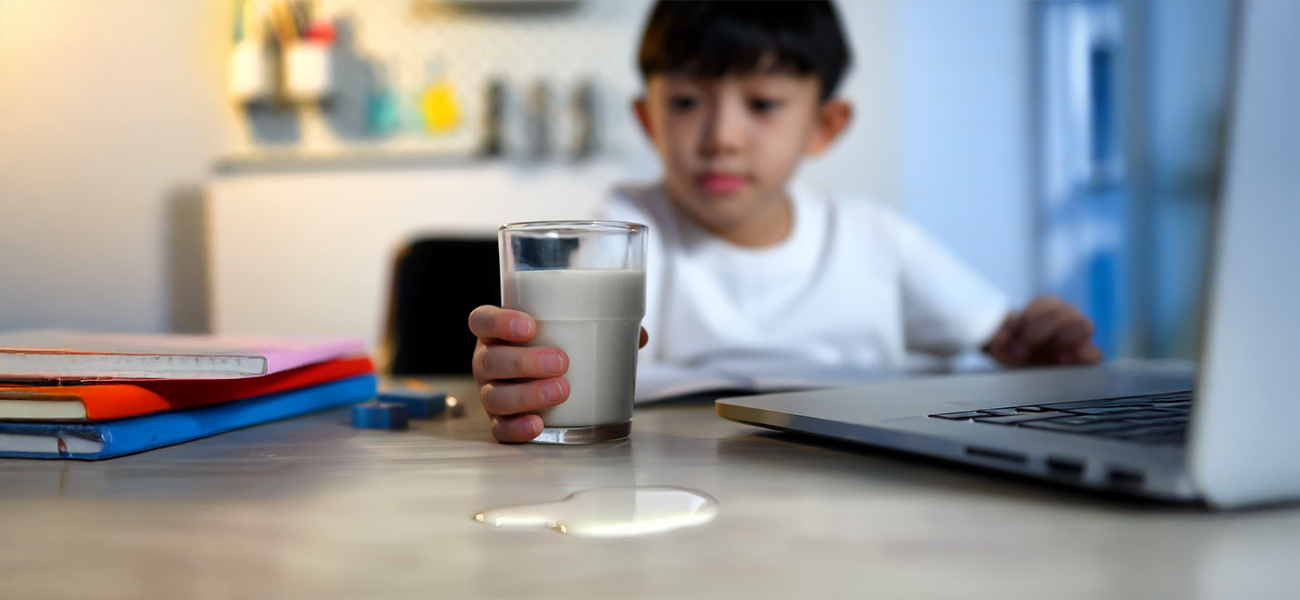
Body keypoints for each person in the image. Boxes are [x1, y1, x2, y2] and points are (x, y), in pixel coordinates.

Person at [469, 0, 1103, 443]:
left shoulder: (873, 239)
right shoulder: (629, 227)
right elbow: (571, 359)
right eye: (687, 102)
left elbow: (1007, 340)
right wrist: (533, 375)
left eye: (763, 104)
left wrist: (1040, 343)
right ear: (647, 119)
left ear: (825, 126)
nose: (722, 138)